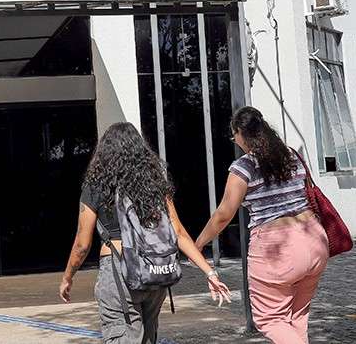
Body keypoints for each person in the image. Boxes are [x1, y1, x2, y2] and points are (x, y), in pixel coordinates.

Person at [59, 122, 231, 344]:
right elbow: (178, 233)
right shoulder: (155, 186)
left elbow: (82, 244)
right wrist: (209, 272)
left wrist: (67, 277)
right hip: (153, 270)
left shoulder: (96, 187)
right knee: (148, 338)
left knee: (122, 336)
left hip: (118, 270)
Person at [193, 107, 328, 344]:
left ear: (240, 133)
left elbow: (223, 215)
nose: (234, 140)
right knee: (296, 317)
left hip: (278, 248)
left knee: (270, 319)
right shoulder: (290, 155)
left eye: (234, 135)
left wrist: (199, 243)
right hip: (314, 239)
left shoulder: (244, 167)